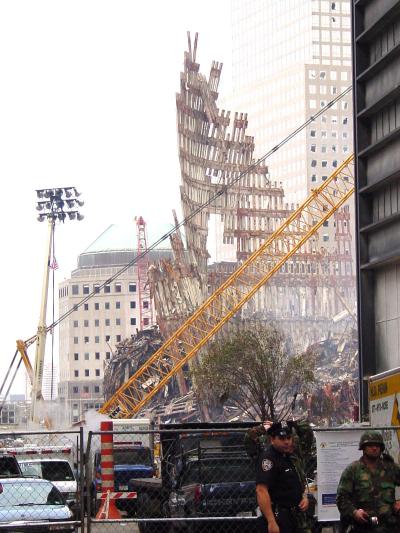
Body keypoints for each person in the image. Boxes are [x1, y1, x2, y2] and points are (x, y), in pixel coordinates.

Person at [336, 430, 400, 532]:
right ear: (363, 448)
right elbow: (341, 498)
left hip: (389, 527)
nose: (374, 448)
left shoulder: (391, 468)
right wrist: (354, 512)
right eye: (370, 445)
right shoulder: (353, 470)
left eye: (377, 445)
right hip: (363, 526)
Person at [255, 421, 312, 533]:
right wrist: (271, 522)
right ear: (272, 440)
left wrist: (304, 497)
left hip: (296, 517)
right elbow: (261, 490)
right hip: (279, 518)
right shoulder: (269, 458)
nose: (286, 442)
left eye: (289, 438)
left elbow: (297, 482)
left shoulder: (290, 456)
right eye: (282, 438)